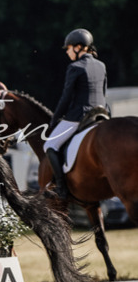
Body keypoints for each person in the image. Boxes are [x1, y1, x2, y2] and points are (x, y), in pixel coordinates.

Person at [44, 29, 108, 199]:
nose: (67, 51)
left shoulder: (75, 67)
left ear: (79, 47)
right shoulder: (101, 65)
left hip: (80, 116)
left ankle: (62, 189)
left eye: (69, 48)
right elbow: (104, 92)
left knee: (49, 145)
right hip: (101, 114)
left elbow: (66, 98)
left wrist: (55, 119)